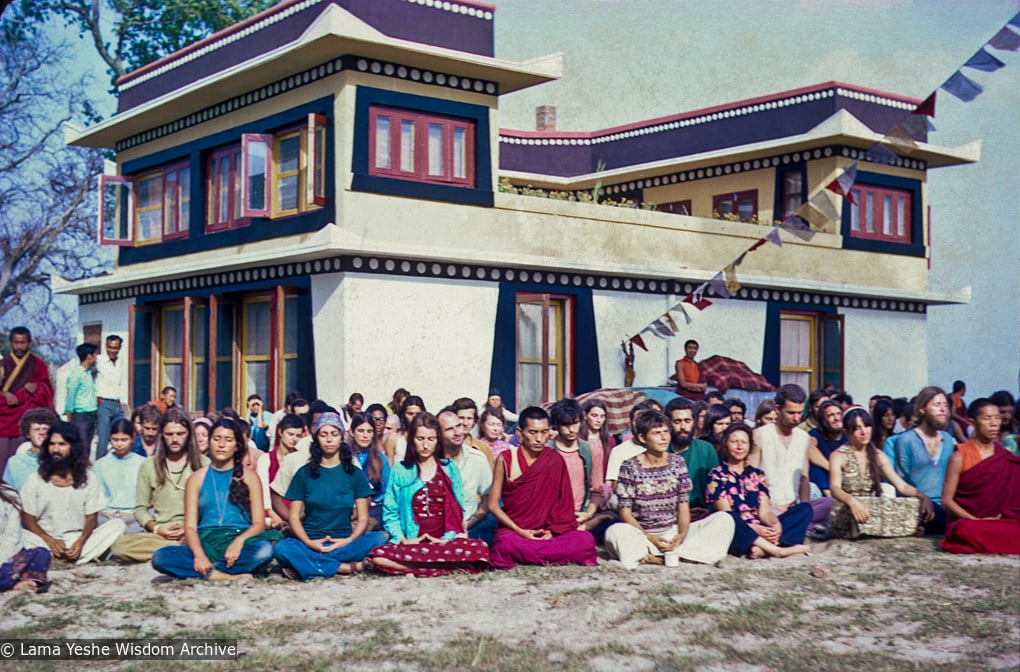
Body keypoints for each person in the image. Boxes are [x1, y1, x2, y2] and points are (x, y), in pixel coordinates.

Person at [605, 411, 734, 568]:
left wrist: (680, 535)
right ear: (642, 438)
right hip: (642, 534)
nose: (664, 438)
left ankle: (670, 554)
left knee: (724, 520)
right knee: (615, 532)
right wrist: (650, 537)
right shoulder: (629, 466)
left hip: (672, 532)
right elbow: (625, 513)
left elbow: (683, 507)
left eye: (666, 432)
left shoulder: (678, 463)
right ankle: (669, 556)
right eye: (657, 433)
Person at [152, 419, 276, 580]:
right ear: (209, 442)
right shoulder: (196, 479)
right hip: (207, 540)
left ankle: (207, 571)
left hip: (240, 539)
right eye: (216, 439)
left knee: (265, 550)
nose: (221, 444)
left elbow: (259, 523)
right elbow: (190, 526)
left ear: (237, 445)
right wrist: (199, 555)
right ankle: (220, 575)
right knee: (161, 557)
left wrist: (239, 541)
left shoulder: (250, 477)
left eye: (228, 440)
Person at [369, 413, 490, 576]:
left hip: (444, 542)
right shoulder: (400, 470)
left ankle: (418, 566)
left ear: (438, 440)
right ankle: (445, 567)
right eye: (420, 439)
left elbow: (457, 508)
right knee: (378, 556)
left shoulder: (449, 468)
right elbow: (390, 511)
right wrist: (404, 539)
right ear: (412, 439)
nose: (425, 445)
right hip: (412, 542)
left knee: (480, 549)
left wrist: (447, 538)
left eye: (431, 439)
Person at [273, 413, 386, 580]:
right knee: (282, 548)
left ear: (341, 437)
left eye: (334, 434)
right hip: (311, 542)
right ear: (316, 438)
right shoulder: (304, 473)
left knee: (378, 538)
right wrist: (309, 542)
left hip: (345, 541)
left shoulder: (354, 473)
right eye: (323, 434)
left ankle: (312, 565)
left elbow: (363, 518)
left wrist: (347, 540)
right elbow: (294, 516)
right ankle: (344, 567)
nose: (329, 440)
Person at [488, 407, 598, 570]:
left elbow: (563, 504)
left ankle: (532, 553)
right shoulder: (506, 459)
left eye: (544, 432)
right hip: (515, 531)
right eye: (532, 432)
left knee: (585, 540)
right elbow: (493, 505)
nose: (539, 439)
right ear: (520, 432)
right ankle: (540, 552)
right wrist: (521, 531)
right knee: (505, 545)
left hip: (547, 532)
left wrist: (553, 532)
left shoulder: (554, 459)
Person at [110, 407, 208, 562]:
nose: (175, 439)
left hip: (195, 530)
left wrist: (189, 528)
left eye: (180, 434)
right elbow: (140, 509)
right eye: (169, 434)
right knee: (119, 547)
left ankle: (176, 552)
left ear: (189, 434)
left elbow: (212, 507)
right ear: (162, 435)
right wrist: (157, 528)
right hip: (161, 534)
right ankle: (176, 552)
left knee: (211, 540)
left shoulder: (204, 464)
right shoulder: (149, 465)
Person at [20, 422, 126, 564]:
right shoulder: (35, 479)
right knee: (19, 534)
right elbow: (28, 519)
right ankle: (67, 557)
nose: (56, 449)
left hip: (76, 539)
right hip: (43, 538)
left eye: (62, 444)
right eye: (52, 444)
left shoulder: (88, 478)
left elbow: (91, 519)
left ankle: (59, 557)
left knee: (118, 525)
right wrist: (49, 540)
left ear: (73, 448)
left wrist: (80, 542)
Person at [706, 424, 812, 559]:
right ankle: (778, 550)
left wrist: (774, 524)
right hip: (736, 530)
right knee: (730, 519)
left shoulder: (757, 475)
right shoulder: (716, 475)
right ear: (725, 444)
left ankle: (763, 548)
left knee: (804, 509)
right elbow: (726, 513)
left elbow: (765, 512)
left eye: (744, 442)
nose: (739, 447)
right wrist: (756, 529)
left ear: (750, 446)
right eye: (734, 442)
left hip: (759, 526)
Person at [828, 407, 933, 540]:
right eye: (857, 428)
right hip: (847, 508)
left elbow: (901, 486)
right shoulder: (838, 456)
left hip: (870, 508)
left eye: (866, 426)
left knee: (906, 506)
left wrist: (922, 496)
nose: (863, 432)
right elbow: (834, 488)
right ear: (847, 432)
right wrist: (851, 501)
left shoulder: (878, 455)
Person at [940, 398, 1020, 555]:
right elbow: (946, 501)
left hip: (1000, 522)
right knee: (964, 529)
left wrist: (1001, 516)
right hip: (971, 522)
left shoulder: (1007, 458)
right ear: (972, 422)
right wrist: (974, 520)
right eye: (987, 418)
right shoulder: (959, 457)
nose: (994, 423)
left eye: (997, 418)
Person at [750, 384, 831, 534]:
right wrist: (767, 505)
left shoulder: (804, 438)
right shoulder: (760, 435)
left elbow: (804, 478)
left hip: (794, 508)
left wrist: (804, 507)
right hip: (767, 507)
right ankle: (794, 527)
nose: (796, 418)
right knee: (770, 518)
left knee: (831, 503)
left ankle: (798, 524)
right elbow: (751, 478)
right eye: (791, 413)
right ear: (777, 409)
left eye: (800, 413)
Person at [891, 386, 954, 534]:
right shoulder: (906, 440)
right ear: (922, 409)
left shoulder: (949, 440)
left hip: (946, 506)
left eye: (945, 405)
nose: (943, 409)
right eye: (937, 405)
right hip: (919, 506)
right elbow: (903, 483)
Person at [0, 326, 54, 477]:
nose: (19, 346)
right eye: (16, 342)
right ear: (10, 342)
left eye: (23, 342)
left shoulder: (38, 364)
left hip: (27, 420)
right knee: (2, 458)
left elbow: (48, 390)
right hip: (4, 420)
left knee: (25, 457)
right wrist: (4, 395)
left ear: (29, 343)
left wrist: (37, 387)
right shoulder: (3, 364)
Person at [436, 410, 493, 542]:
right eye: (449, 429)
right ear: (438, 434)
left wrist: (471, 522)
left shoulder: (477, 458)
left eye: (459, 426)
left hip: (470, 526)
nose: (457, 432)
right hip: (437, 528)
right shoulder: (429, 460)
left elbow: (487, 500)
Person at [664, 397, 718, 516]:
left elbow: (716, 488)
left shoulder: (706, 449)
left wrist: (708, 511)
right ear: (669, 424)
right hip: (667, 516)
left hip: (703, 513)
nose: (683, 427)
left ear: (694, 422)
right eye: (677, 422)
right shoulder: (660, 450)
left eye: (687, 421)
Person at [93, 418, 146, 533]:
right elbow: (93, 496)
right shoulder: (100, 465)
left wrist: (132, 513)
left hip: (134, 516)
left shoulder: (143, 463)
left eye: (124, 440)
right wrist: (106, 514)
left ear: (132, 439)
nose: (119, 444)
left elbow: (151, 497)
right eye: (115, 439)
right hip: (106, 516)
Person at [256, 413, 305, 530]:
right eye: (290, 434)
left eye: (298, 436)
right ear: (280, 432)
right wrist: (271, 512)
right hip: (271, 510)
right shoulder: (266, 459)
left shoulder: (302, 459)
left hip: (296, 510)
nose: (294, 439)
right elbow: (263, 490)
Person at [0, 481, 50, 593]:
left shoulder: (8, 494)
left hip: (4, 558)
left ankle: (10, 582)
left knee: (41, 553)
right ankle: (9, 585)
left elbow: (12, 538)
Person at [347, 412, 390, 526]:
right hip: (348, 508)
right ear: (352, 432)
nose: (365, 436)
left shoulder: (381, 459)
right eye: (361, 431)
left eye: (369, 431)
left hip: (373, 509)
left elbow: (387, 492)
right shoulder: (343, 457)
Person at [2, 408, 59, 491]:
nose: (41, 433)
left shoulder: (60, 460)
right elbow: (9, 493)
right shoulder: (14, 462)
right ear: (28, 434)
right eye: (37, 429)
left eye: (45, 429)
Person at [94, 335, 128, 462]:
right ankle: (99, 464)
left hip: (117, 403)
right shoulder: (98, 361)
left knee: (122, 432)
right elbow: (84, 375)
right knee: (103, 437)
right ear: (106, 346)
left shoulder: (120, 362)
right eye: (110, 347)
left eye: (115, 348)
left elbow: (121, 383)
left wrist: (121, 400)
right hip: (103, 402)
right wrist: (94, 395)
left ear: (119, 348)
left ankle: (118, 461)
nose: (112, 351)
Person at [806, 400, 848, 498]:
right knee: (814, 468)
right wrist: (832, 468)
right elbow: (809, 449)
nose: (836, 418)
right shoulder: (816, 434)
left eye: (838, 414)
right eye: (831, 415)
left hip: (845, 480)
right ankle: (829, 495)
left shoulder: (848, 436)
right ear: (823, 419)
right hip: (824, 483)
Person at [64, 343, 99, 453]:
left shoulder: (88, 373)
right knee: (81, 447)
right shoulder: (76, 374)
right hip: (81, 416)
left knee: (87, 447)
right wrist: (69, 411)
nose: (96, 358)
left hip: (91, 414)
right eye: (95, 355)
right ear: (89, 356)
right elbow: (71, 394)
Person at [451, 397, 496, 469]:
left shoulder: (483, 449)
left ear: (474, 421)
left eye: (469, 418)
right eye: (461, 418)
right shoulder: (445, 446)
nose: (465, 423)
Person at [384, 395, 425, 466]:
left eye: (418, 414)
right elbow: (389, 467)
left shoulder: (428, 440)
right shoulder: (394, 439)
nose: (414, 417)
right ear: (403, 414)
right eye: (410, 414)